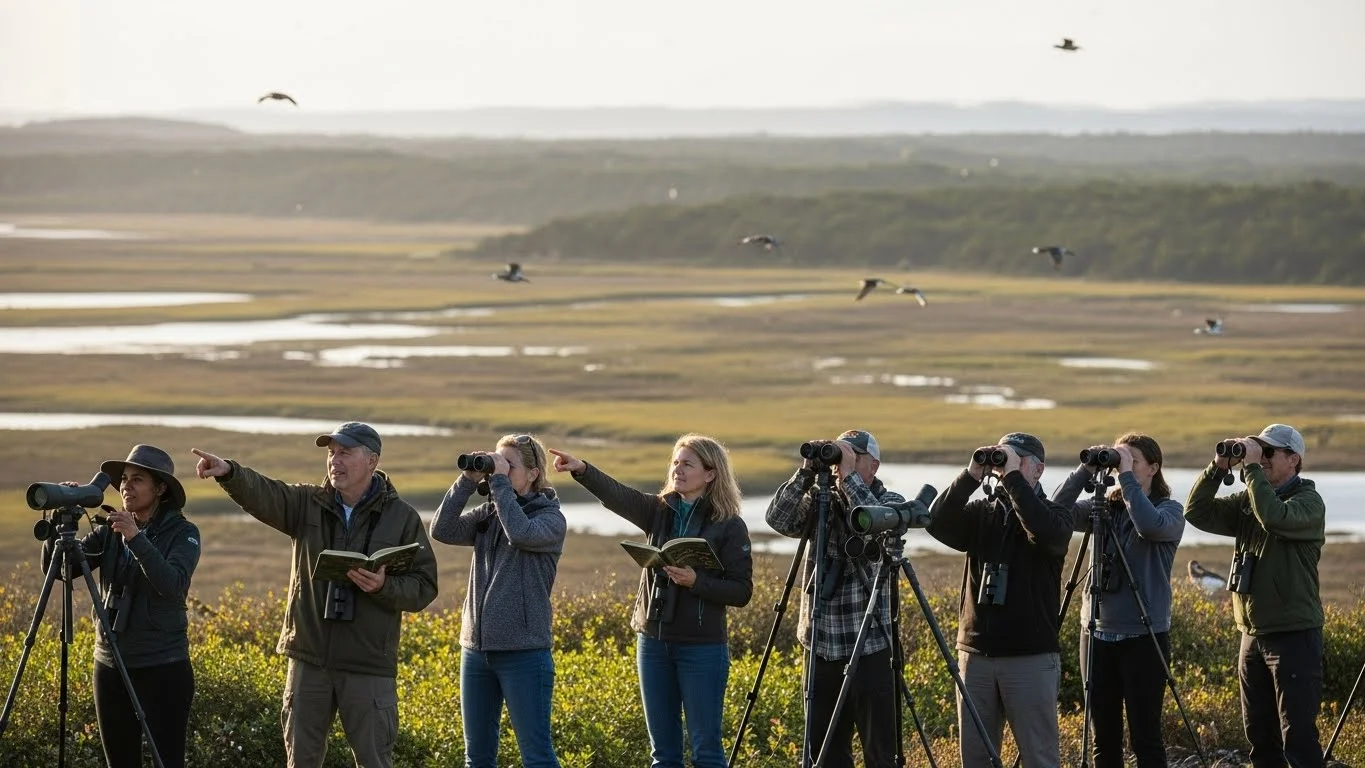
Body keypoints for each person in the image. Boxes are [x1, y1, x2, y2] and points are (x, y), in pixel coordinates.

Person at [191, 422, 439, 768]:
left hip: (368, 665)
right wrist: (229, 473)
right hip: (308, 660)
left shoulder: (402, 518)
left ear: (372, 461)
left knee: (374, 761)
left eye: (345, 453)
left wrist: (384, 587)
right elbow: (266, 493)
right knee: (301, 761)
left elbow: (424, 587)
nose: (334, 461)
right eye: (331, 453)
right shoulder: (308, 503)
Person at [548, 434, 752, 768]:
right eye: (675, 462)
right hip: (653, 643)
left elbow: (742, 591)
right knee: (663, 755)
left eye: (687, 464)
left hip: (702, 649)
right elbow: (618, 496)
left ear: (711, 474)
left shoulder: (730, 526)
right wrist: (582, 470)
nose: (678, 469)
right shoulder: (659, 510)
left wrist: (696, 581)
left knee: (707, 752)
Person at [41, 444, 201, 768]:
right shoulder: (109, 530)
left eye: (137, 479)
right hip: (111, 664)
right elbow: (59, 568)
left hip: (162, 665)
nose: (126, 485)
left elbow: (172, 585)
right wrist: (62, 523)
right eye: (124, 479)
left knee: (166, 761)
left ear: (160, 488)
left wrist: (135, 538)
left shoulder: (184, 533)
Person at [924, 432, 1072, 768]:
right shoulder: (981, 513)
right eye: (1004, 459)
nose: (1005, 467)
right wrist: (971, 475)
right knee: (976, 759)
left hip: (1029, 657)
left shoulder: (1055, 515)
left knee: (1039, 757)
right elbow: (938, 523)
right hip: (975, 655)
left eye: (1017, 461)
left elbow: (1043, 531)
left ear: (1038, 470)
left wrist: (1014, 479)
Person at [1184, 423, 1325, 768]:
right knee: (1260, 737)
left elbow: (1274, 518)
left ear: (1294, 460)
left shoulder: (1308, 502)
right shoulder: (1250, 498)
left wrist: (1248, 468)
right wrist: (1217, 468)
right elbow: (1196, 512)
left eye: (1269, 453)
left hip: (1293, 634)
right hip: (1252, 634)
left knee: (1299, 738)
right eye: (1258, 450)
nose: (1261, 458)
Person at [764, 429, 906, 768]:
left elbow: (874, 522)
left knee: (881, 755)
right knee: (824, 755)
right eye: (843, 455)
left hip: (871, 645)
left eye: (855, 457)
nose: (845, 463)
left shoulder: (892, 504)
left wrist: (850, 480)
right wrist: (806, 473)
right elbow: (777, 519)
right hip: (820, 643)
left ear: (874, 465)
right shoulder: (820, 501)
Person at [429, 434, 566, 768]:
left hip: (524, 653)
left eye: (509, 466)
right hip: (476, 651)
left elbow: (519, 532)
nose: (498, 474)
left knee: (536, 756)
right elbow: (442, 530)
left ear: (533, 474)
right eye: (496, 465)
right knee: (477, 758)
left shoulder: (550, 520)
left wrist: (500, 485)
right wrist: (466, 481)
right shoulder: (489, 513)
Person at [1051, 433, 1185, 768]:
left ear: (1154, 468)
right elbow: (1055, 511)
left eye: (1133, 461)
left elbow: (1148, 527)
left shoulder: (1169, 510)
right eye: (1120, 459)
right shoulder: (1103, 508)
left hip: (1144, 635)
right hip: (1095, 632)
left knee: (1146, 739)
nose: (1125, 466)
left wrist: (1125, 478)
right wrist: (1085, 471)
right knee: (1104, 740)